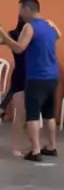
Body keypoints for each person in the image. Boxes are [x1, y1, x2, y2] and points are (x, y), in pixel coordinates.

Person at [0, 0, 61, 162]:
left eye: (21, 9)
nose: (20, 13)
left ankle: (35, 151)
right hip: (50, 76)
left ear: (27, 9)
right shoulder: (48, 26)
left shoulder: (30, 27)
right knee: (48, 115)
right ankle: (51, 147)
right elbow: (58, 35)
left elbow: (19, 48)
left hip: (36, 77)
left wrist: (3, 34)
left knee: (32, 115)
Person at [0, 16, 26, 156]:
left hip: (29, 75)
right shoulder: (14, 35)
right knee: (21, 114)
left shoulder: (30, 34)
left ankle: (2, 107)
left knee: (23, 114)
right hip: (22, 76)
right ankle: (17, 147)